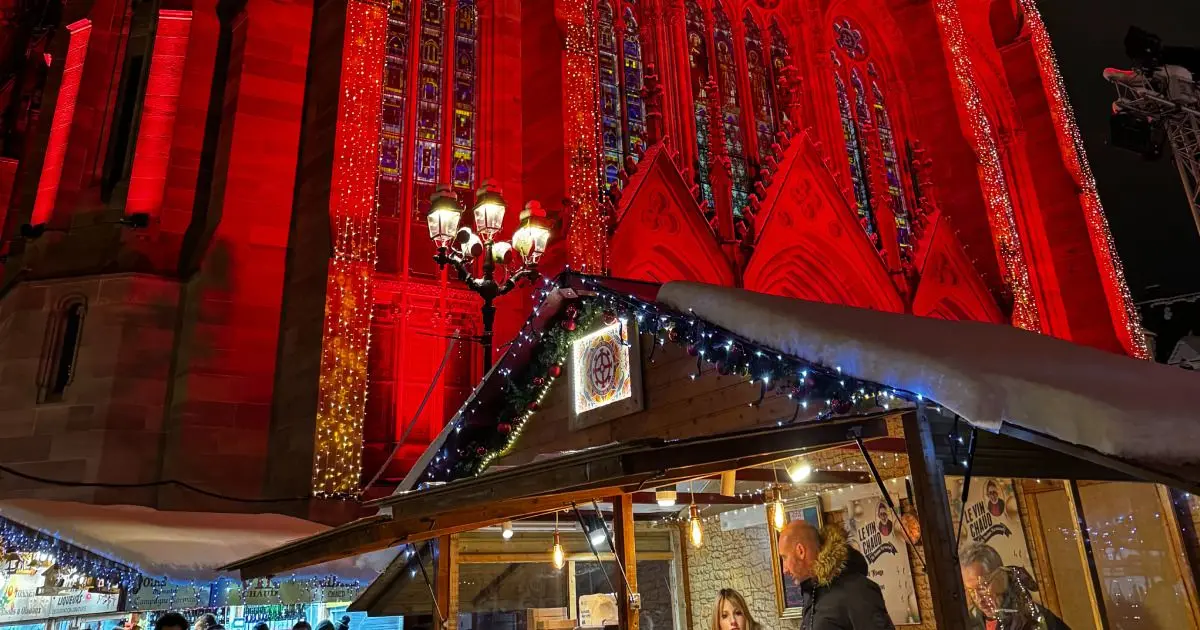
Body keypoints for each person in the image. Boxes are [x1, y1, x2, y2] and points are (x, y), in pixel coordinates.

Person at [777, 520, 894, 629]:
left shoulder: (857, 590)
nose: (784, 570)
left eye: (785, 558)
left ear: (800, 551)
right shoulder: (812, 593)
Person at [960, 543, 1070, 630]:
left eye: (982, 588)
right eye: (971, 591)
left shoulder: (1032, 619)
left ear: (1001, 578)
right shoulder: (969, 624)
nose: (979, 599)